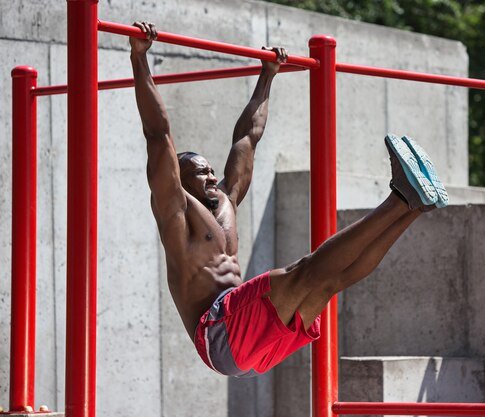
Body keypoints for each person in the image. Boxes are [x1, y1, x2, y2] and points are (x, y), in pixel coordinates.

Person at [130, 21, 449, 378]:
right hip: (219, 333)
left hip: (252, 342)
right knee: (305, 270)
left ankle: (411, 208)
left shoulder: (225, 202)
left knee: (330, 282)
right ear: (179, 179)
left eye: (209, 170)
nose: (209, 175)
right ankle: (399, 198)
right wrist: (139, 58)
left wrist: (267, 76)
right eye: (198, 172)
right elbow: (157, 136)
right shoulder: (176, 215)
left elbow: (248, 138)